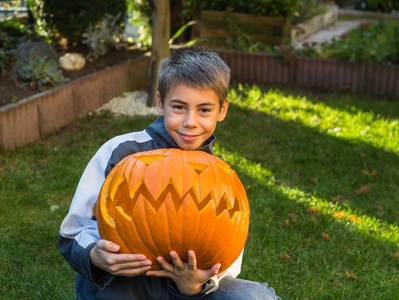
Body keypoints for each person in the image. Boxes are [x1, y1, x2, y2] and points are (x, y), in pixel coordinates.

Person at [58, 46, 280, 300]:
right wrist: (94, 256)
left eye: (204, 110)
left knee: (255, 297)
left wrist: (194, 286)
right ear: (160, 103)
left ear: (222, 109)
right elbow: (72, 232)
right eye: (179, 107)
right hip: (121, 293)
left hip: (187, 293)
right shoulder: (121, 152)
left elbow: (226, 257)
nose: (190, 121)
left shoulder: (220, 176)